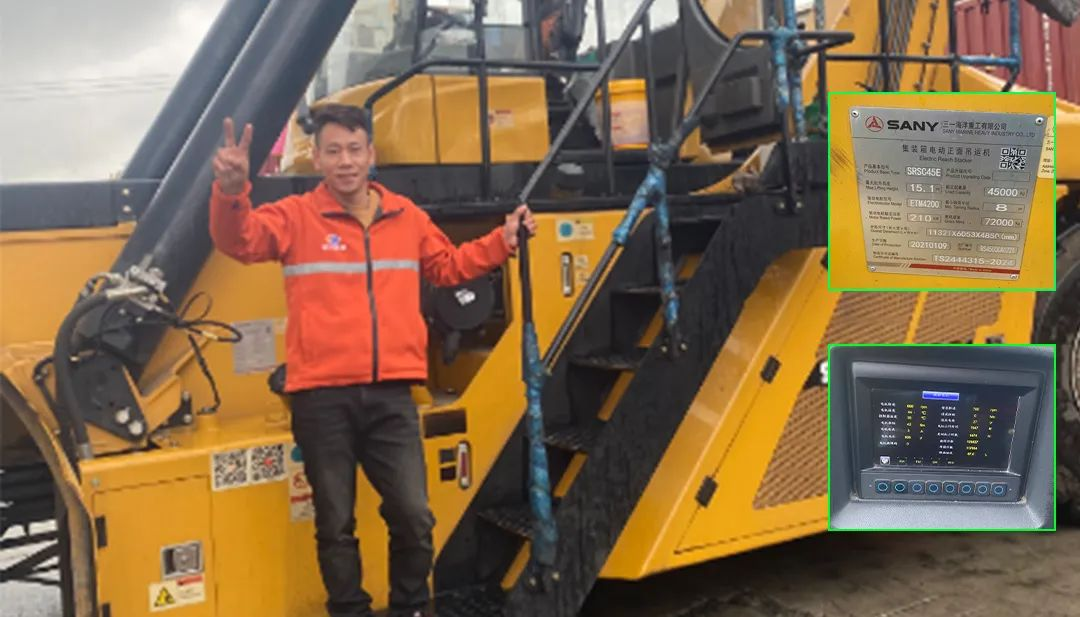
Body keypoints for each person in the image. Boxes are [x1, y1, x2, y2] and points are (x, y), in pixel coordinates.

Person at [208, 103, 536, 617]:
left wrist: (503, 241)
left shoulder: (407, 217)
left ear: (371, 155)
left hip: (391, 396)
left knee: (414, 517)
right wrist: (231, 192)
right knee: (335, 524)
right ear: (317, 158)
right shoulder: (295, 217)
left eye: (354, 149)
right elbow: (240, 241)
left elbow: (448, 267)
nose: (345, 161)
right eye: (333, 151)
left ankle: (410, 608)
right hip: (321, 399)